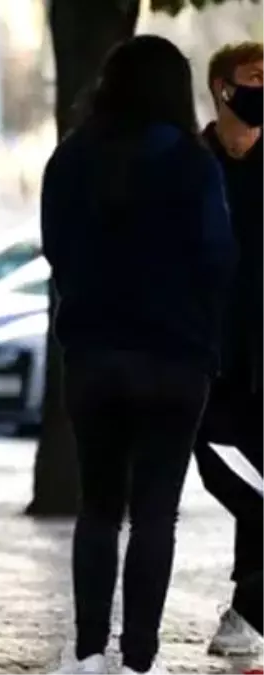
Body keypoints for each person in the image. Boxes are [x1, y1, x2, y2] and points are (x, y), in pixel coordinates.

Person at [41, 35, 236, 675]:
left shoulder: (71, 159)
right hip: (175, 361)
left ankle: (89, 651)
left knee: (98, 507)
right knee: (157, 513)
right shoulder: (192, 162)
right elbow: (217, 257)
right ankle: (138, 659)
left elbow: (56, 249)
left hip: (95, 355)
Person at [190, 40, 264, 659]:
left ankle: (247, 608)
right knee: (226, 474)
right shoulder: (191, 161)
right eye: (256, 77)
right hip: (205, 351)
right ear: (222, 86)